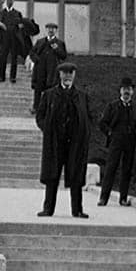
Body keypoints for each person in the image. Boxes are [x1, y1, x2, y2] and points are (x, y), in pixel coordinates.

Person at [35, 61, 92, 218]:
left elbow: (88, 117)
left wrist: (84, 134)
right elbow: (40, 116)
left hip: (75, 142)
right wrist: (47, 129)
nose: (67, 76)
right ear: (59, 74)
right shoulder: (49, 95)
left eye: (70, 73)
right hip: (55, 141)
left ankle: (77, 210)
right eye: (64, 73)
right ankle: (48, 208)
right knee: (52, 175)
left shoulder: (82, 96)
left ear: (74, 75)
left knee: (76, 175)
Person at [97, 76, 136, 206]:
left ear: (132, 92)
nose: (127, 92)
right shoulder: (112, 106)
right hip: (116, 141)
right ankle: (103, 198)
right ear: (120, 91)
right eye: (124, 89)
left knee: (127, 169)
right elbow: (102, 123)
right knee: (111, 168)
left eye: (129, 89)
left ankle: (123, 198)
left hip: (130, 142)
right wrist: (110, 133)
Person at [29, 22, 68, 114]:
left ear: (56, 31)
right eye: (49, 28)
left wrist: (56, 49)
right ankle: (36, 107)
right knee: (38, 89)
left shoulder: (60, 43)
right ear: (46, 30)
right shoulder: (40, 41)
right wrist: (36, 60)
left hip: (52, 70)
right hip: (40, 69)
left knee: (51, 89)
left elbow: (63, 56)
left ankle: (49, 109)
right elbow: (32, 53)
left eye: (53, 29)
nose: (51, 30)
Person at [0, 0, 25, 83]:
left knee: (14, 58)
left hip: (14, 39)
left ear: (14, 1)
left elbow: (21, 25)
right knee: (2, 57)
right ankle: (1, 76)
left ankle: (12, 77)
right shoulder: (1, 13)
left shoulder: (17, 13)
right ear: (5, 1)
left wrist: (20, 26)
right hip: (4, 39)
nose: (9, 1)